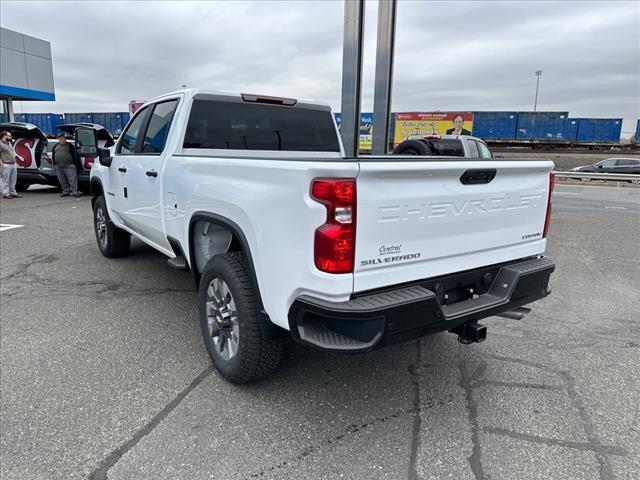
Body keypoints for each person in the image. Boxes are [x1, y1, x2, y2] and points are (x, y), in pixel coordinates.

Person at [52, 133, 81, 197]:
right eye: (59, 138)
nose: (61, 139)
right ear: (58, 139)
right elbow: (53, 155)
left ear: (65, 138)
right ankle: (65, 191)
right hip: (59, 166)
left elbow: (75, 155)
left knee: (72, 179)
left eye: (62, 137)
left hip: (69, 165)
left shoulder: (70, 145)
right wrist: (55, 164)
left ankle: (74, 192)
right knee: (62, 180)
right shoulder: (56, 146)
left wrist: (75, 164)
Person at [0, 130, 21, 199]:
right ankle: (5, 193)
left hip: (13, 164)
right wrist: (2, 164)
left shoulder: (9, 143)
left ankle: (13, 193)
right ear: (4, 136)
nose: (10, 137)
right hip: (6, 164)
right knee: (5, 180)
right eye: (9, 136)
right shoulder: (0, 144)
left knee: (13, 180)